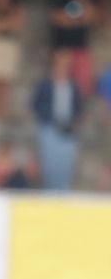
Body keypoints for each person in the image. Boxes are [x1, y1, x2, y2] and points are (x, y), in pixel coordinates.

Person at [32, 47, 84, 192]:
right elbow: (36, 104)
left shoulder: (72, 86)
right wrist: (46, 119)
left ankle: (63, 194)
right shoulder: (45, 84)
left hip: (67, 130)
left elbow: (78, 107)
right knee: (49, 166)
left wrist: (74, 122)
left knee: (65, 165)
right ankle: (48, 194)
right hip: (49, 129)